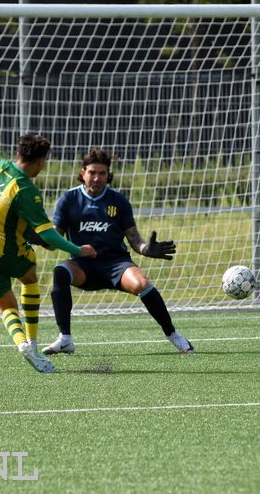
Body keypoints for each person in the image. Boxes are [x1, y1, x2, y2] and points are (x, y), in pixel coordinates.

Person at [0, 134, 97, 373]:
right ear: (41, 162)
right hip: (8, 251)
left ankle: (22, 343)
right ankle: (31, 340)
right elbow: (48, 236)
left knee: (6, 304)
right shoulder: (26, 190)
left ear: (18, 152)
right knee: (30, 276)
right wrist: (77, 250)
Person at [42, 148, 194, 356]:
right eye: (92, 172)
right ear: (83, 172)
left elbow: (134, 239)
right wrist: (42, 240)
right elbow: (54, 239)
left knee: (143, 284)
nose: (97, 178)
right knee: (60, 271)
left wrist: (148, 249)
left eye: (102, 173)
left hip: (116, 265)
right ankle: (65, 339)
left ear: (108, 175)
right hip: (83, 266)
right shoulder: (68, 200)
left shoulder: (118, 201)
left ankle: (173, 335)